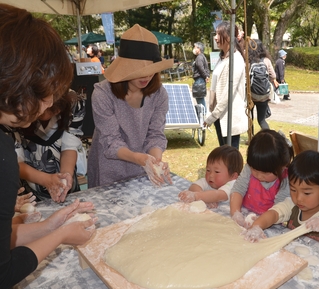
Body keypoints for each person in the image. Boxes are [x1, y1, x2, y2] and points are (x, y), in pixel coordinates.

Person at [0, 3, 96, 289]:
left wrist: (48, 224)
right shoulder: (3, 153)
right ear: (18, 82)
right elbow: (3, 272)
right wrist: (60, 235)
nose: (47, 104)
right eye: (43, 93)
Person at [87, 24, 174, 188]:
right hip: (108, 170)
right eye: (139, 70)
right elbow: (111, 142)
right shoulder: (102, 94)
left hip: (143, 171)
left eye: (151, 69)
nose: (147, 75)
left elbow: (155, 134)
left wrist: (155, 161)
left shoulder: (159, 95)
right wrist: (141, 159)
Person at [242, 151, 319, 256]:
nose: (298, 198)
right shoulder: (292, 204)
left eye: (307, 193)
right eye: (293, 190)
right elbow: (273, 214)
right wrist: (256, 227)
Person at [16, 90, 82, 203]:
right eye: (41, 111)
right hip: (30, 187)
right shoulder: (15, 108)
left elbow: (70, 146)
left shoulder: (73, 101)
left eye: (54, 109)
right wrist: (47, 180)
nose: (48, 110)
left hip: (66, 187)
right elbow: (15, 162)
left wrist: (65, 176)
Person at [230, 130, 292, 226]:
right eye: (254, 170)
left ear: (282, 167)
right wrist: (236, 213)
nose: (259, 176)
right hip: (244, 213)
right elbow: (238, 189)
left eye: (265, 173)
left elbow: (279, 209)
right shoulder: (249, 167)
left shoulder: (285, 180)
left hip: (270, 223)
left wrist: (260, 222)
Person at [204, 22, 248, 149]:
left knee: (230, 159)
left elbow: (227, 94)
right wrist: (212, 112)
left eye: (219, 34)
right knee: (224, 156)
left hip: (230, 117)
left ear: (229, 37)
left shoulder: (236, 60)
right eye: (216, 34)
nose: (216, 37)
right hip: (219, 115)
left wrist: (212, 116)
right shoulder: (223, 57)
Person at [178, 145, 243, 208]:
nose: (211, 175)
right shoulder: (209, 181)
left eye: (217, 172)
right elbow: (194, 186)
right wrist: (204, 198)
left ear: (233, 176)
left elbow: (218, 195)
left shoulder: (233, 186)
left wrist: (197, 196)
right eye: (208, 170)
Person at [247, 39, 276, 130]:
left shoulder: (248, 61)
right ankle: (268, 138)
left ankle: (251, 139)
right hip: (264, 95)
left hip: (251, 95)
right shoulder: (266, 60)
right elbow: (273, 75)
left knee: (249, 118)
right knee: (262, 120)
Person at [192, 42, 210, 108]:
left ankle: (203, 114)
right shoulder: (203, 56)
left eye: (195, 47)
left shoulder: (199, 58)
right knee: (201, 98)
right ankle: (203, 113)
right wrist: (207, 76)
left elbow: (201, 68)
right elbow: (206, 68)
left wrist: (206, 76)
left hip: (199, 80)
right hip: (202, 80)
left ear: (199, 49)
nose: (193, 49)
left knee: (200, 99)